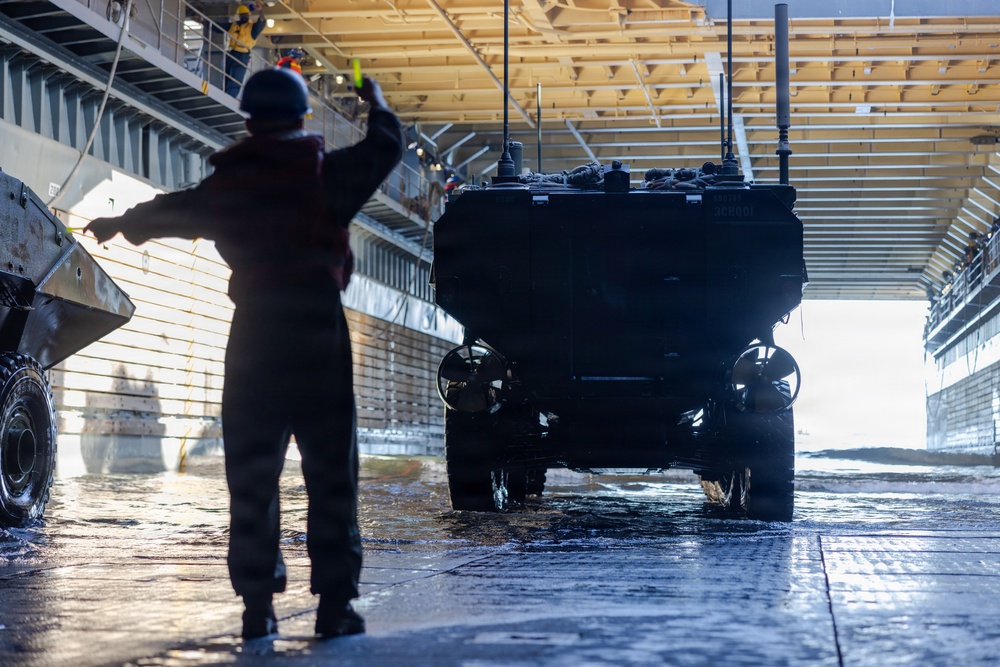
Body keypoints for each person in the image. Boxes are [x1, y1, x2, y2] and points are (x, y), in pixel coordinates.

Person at [85, 68, 404, 641]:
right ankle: (335, 607)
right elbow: (386, 145)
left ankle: (257, 606)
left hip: (254, 332)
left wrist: (117, 224)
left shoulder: (226, 187)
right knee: (332, 475)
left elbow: (168, 211)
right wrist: (375, 101)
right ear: (303, 118)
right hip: (316, 331)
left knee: (252, 476)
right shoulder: (326, 176)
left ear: (249, 120)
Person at [222, 3, 266, 97]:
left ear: (249, 15)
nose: (244, 16)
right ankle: (224, 95)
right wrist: (202, 21)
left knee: (236, 78)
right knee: (226, 76)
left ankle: (230, 97)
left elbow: (262, 22)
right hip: (230, 53)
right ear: (239, 16)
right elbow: (217, 27)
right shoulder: (232, 26)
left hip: (242, 55)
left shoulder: (253, 28)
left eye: (246, 14)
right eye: (242, 15)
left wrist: (260, 11)